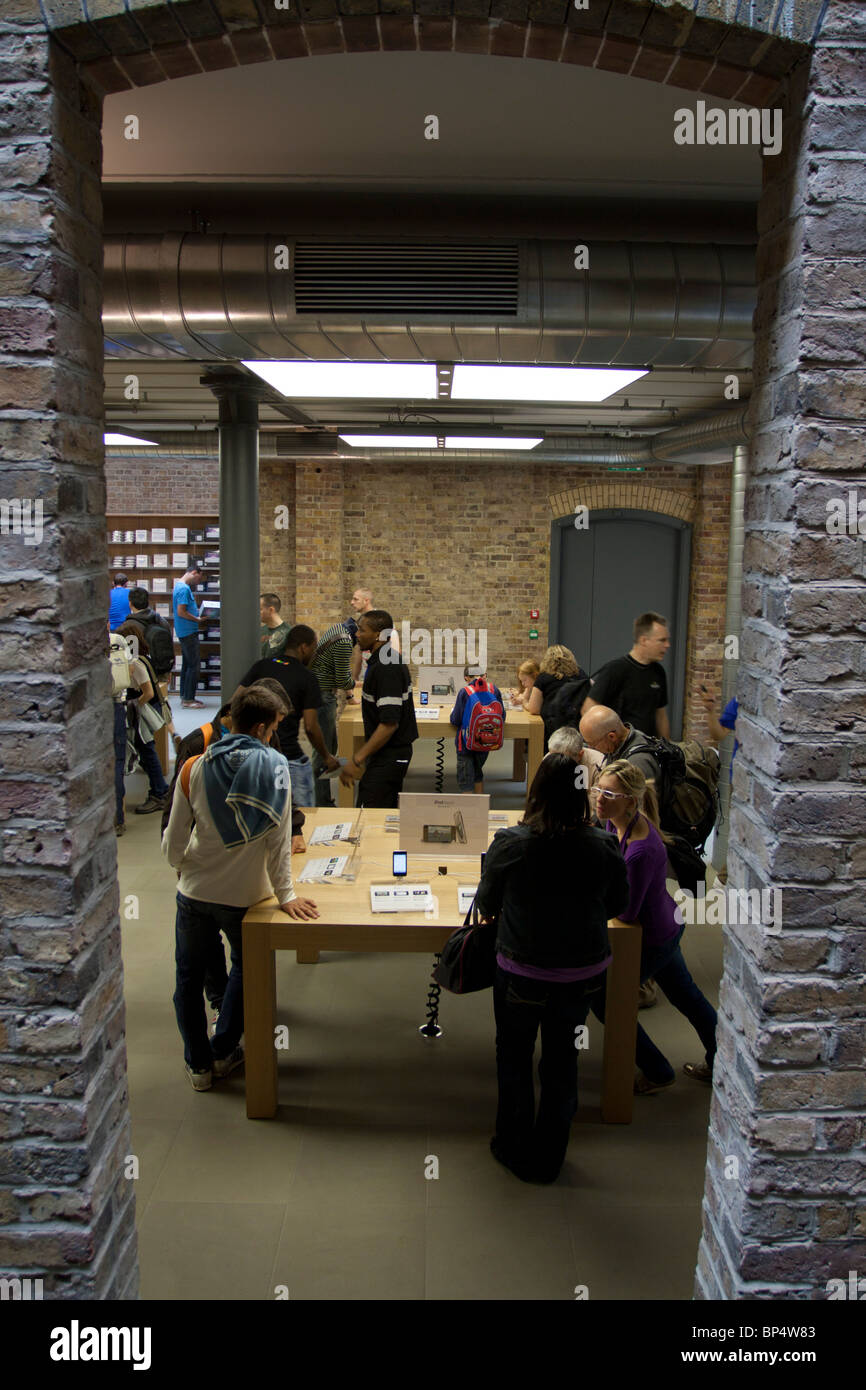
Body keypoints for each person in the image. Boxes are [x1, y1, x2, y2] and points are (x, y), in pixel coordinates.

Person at [474, 754, 629, 1184]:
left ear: (537, 791)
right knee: (563, 1061)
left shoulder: (512, 843)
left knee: (514, 1056)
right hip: (580, 975)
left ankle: (512, 1143)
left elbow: (486, 902)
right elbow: (617, 902)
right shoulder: (602, 845)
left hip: (521, 970)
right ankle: (549, 1158)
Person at [163, 685, 321, 1090]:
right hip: (247, 895)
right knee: (247, 971)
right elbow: (278, 840)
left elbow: (173, 840)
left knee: (188, 979)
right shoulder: (276, 767)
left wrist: (184, 867)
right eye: (275, 727)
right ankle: (223, 1051)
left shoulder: (194, 766)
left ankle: (198, 1066)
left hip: (195, 892)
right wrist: (286, 895)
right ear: (262, 728)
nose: (275, 735)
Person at [589, 759, 717, 1094]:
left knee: (605, 999)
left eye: (609, 794)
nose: (599, 798)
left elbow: (626, 912)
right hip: (665, 924)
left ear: (631, 801)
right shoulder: (616, 822)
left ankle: (657, 1070)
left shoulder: (642, 851)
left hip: (653, 937)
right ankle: (722, 1059)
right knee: (687, 996)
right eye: (598, 789)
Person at [238, 625, 340, 808]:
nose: (314, 654)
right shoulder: (307, 678)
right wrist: (326, 756)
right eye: (313, 648)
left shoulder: (261, 666)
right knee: (302, 815)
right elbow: (310, 727)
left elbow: (235, 703)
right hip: (288, 759)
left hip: (255, 756)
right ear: (304, 647)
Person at [339, 610, 418, 808]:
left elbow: (389, 724)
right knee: (382, 809)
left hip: (391, 755)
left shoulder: (386, 667)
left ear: (378, 635)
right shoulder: (380, 660)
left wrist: (357, 758)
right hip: (383, 754)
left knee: (370, 810)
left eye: (362, 630)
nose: (357, 634)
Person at [114, 621, 171, 818]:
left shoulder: (136, 663)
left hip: (140, 713)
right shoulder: (143, 659)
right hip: (141, 711)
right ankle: (160, 789)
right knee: (145, 752)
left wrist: (132, 707)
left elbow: (148, 693)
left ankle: (159, 792)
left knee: (147, 751)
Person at [583, 611, 671, 738]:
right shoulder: (615, 670)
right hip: (622, 747)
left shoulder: (658, 672)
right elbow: (588, 709)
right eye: (662, 640)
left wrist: (667, 745)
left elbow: (661, 715)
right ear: (644, 640)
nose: (667, 645)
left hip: (648, 746)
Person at [309, 620, 355, 806]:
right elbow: (343, 680)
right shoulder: (345, 641)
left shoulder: (338, 629)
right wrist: (356, 684)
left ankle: (323, 797)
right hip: (323, 696)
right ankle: (321, 802)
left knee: (330, 746)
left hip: (321, 693)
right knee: (323, 751)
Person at [449, 666, 505, 795]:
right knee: (477, 773)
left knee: (465, 781)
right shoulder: (494, 690)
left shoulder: (465, 692)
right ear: (484, 675)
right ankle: (480, 804)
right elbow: (502, 716)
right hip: (486, 743)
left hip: (466, 745)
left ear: (466, 678)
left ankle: (468, 807)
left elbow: (456, 720)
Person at [525, 645, 590, 750]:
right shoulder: (581, 675)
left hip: (551, 729)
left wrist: (524, 702)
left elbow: (534, 709)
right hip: (577, 727)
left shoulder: (544, 677)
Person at [578, 705, 661, 786]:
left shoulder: (637, 763)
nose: (591, 748)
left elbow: (644, 795)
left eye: (593, 744)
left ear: (612, 736)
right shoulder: (617, 744)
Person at [172, 565, 205, 709]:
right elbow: (181, 612)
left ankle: (185, 696)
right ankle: (188, 699)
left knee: (187, 665)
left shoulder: (179, 586)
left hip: (184, 631)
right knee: (193, 666)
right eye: (199, 578)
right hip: (188, 631)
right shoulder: (184, 589)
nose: (198, 581)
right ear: (194, 572)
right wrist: (197, 619)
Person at [260, 592, 291, 658]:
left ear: (271, 610)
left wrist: (272, 661)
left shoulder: (289, 633)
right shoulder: (260, 631)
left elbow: (288, 662)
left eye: (260, 609)